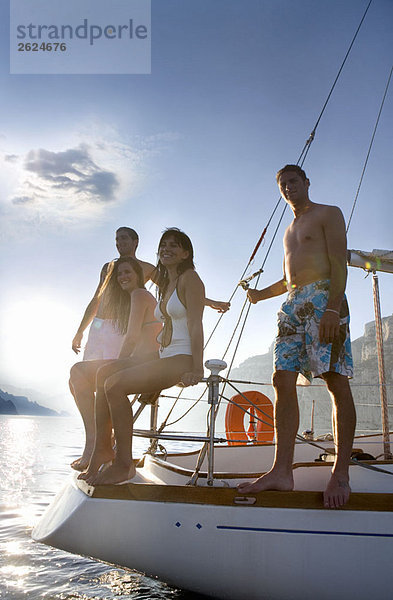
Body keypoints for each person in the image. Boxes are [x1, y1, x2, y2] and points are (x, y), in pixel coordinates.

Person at [237, 165, 355, 509]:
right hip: (293, 304)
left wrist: (332, 308)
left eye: (293, 181)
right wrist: (262, 294)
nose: (288, 187)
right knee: (281, 379)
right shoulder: (289, 229)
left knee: (335, 381)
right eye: (282, 184)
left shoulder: (328, 213)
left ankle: (341, 472)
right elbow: (291, 280)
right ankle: (280, 471)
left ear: (306, 183)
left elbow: (338, 263)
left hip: (324, 300)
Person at [80, 228, 205, 485]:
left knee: (115, 386)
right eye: (163, 245)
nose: (166, 249)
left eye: (173, 245)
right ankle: (102, 449)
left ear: (185, 253)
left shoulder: (190, 279)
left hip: (180, 358)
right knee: (104, 374)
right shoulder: (168, 284)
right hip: (163, 355)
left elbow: (195, 324)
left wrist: (197, 367)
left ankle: (124, 464)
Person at [70, 255, 161, 470]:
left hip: (143, 363)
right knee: (76, 378)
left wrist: (115, 367)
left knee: (78, 373)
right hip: (140, 361)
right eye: (118, 274)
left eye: (127, 272)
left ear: (139, 275)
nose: (122, 277)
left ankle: (100, 445)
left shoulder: (139, 295)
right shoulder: (135, 297)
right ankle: (99, 442)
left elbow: (130, 338)